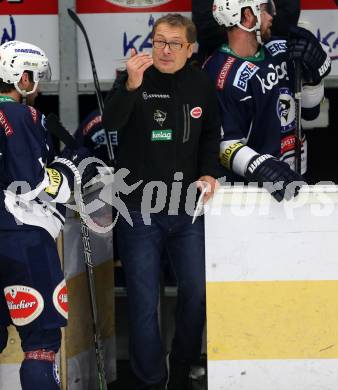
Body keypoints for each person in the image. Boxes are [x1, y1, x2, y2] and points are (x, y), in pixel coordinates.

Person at [102, 13, 220, 390]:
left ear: (190, 49)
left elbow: (209, 137)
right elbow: (111, 125)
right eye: (158, 42)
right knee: (142, 301)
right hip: (139, 207)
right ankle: (151, 380)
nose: (164, 51)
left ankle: (182, 368)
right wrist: (132, 86)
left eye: (174, 44)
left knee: (198, 293)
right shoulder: (134, 78)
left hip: (187, 208)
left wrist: (207, 172)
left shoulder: (201, 83)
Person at [0, 40, 96, 389]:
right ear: (21, 78)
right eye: (34, 78)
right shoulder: (20, 114)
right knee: (41, 345)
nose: (37, 87)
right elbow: (31, 183)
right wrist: (72, 168)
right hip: (21, 239)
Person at [203, 0, 331, 201]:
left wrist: (315, 79)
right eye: (265, 10)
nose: (272, 16)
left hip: (297, 177)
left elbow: (310, 112)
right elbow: (223, 144)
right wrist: (258, 165)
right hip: (251, 193)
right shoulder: (219, 73)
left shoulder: (282, 49)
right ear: (247, 16)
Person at [192, 0, 301, 64]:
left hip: (274, 58)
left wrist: (258, 22)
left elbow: (288, 18)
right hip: (221, 61)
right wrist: (245, 30)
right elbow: (204, 28)